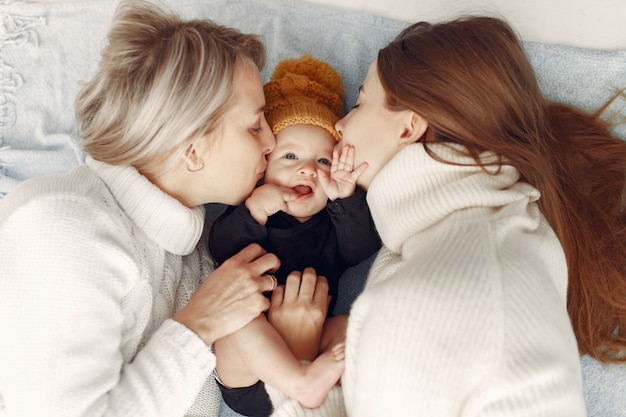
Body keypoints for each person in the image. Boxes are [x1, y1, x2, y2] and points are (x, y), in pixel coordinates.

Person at [268, 16, 626, 417]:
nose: (340, 125)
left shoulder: (421, 296)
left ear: (408, 128)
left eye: (359, 103)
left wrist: (295, 369)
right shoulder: (513, 229)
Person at [0, 1, 289, 416]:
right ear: (193, 147)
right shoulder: (61, 228)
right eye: (254, 125)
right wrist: (199, 324)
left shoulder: (196, 246)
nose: (271, 143)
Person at [208, 55, 380, 416]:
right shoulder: (255, 215)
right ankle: (299, 381)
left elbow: (362, 248)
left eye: (323, 161)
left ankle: (325, 386)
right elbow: (220, 248)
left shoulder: (334, 225)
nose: (308, 170)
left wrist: (344, 198)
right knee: (237, 318)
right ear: (262, 172)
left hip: (314, 348)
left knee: (356, 326)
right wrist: (255, 209)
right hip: (248, 376)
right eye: (290, 156)